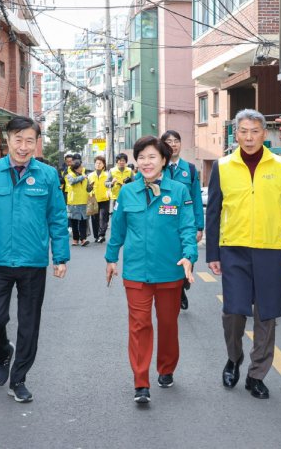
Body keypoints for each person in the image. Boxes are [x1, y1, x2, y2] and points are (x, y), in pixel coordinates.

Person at [0, 115, 70, 403]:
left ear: (36, 143)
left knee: (29, 324)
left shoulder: (46, 175)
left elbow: (57, 218)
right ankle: (3, 351)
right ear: (6, 141)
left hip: (32, 262)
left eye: (29, 140)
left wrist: (60, 256)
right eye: (17, 140)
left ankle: (18, 379)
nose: (23, 146)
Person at [205, 109, 281, 400]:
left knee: (267, 315)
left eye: (255, 131)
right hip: (234, 249)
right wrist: (213, 252)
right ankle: (234, 357)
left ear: (265, 134)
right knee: (234, 311)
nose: (249, 137)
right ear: (235, 134)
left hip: (270, 250)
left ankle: (256, 374)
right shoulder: (223, 167)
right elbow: (213, 213)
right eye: (243, 131)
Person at [105, 136, 197, 405]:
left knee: (168, 325)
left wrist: (189, 256)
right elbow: (118, 229)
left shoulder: (179, 191)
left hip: (170, 272)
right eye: (141, 157)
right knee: (139, 325)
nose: (146, 162)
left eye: (152, 157)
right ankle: (141, 382)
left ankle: (166, 368)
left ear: (164, 161)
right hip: (136, 272)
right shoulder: (127, 192)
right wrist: (111, 258)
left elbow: (187, 229)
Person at [161, 130, 205, 311]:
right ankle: (178, 292)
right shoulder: (158, 168)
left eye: (176, 141)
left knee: (188, 259)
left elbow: (196, 198)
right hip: (164, 224)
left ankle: (183, 285)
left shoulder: (190, 169)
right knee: (170, 259)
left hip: (186, 224)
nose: (173, 144)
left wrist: (199, 226)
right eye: (169, 141)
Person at [65, 159, 89, 246]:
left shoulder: (84, 176)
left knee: (83, 221)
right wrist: (83, 177)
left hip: (83, 201)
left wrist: (90, 187)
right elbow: (72, 181)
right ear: (75, 168)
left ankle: (83, 239)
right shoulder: (69, 175)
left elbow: (87, 188)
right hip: (73, 202)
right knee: (74, 221)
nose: (82, 168)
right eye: (80, 167)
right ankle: (75, 239)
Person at [86, 155, 110, 243]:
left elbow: (110, 185)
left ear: (104, 164)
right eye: (96, 163)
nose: (98, 164)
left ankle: (101, 235)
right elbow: (87, 189)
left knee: (103, 217)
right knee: (94, 218)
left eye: (100, 163)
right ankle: (96, 236)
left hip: (104, 198)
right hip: (93, 198)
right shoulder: (90, 175)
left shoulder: (107, 175)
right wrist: (90, 187)